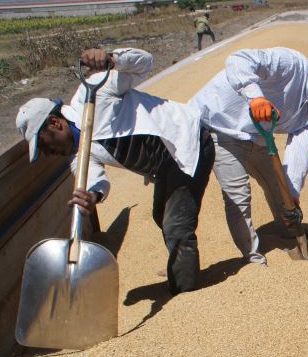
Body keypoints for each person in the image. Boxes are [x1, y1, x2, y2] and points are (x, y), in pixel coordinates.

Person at [15, 47, 214, 294]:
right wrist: (92, 196)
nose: (47, 152)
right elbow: (95, 183)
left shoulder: (96, 90)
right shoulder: (79, 155)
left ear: (55, 123)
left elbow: (145, 63)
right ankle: (181, 264)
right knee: (160, 215)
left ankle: (186, 292)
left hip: (187, 142)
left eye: (43, 143)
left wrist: (113, 58)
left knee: (176, 225)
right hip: (164, 164)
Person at [189, 47, 308, 264]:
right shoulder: (291, 64)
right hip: (220, 124)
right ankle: (253, 261)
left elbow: (302, 143)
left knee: (282, 196)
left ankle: (290, 233)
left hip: (257, 136)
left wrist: (292, 190)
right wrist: (255, 98)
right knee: (239, 195)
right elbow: (238, 59)